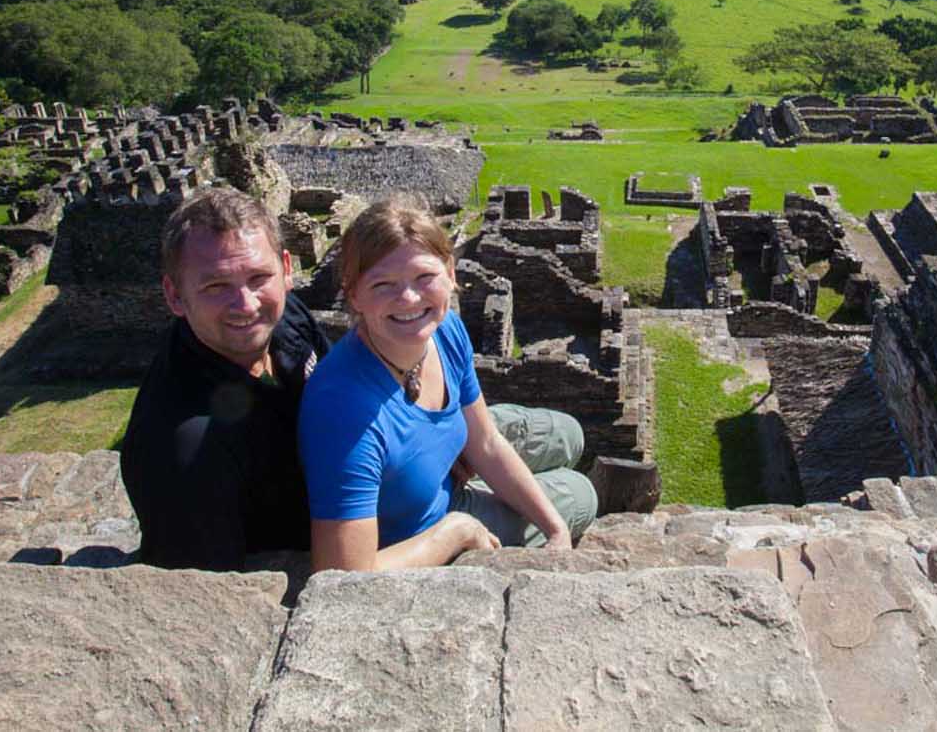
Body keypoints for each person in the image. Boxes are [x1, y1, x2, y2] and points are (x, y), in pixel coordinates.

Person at [299, 199, 597, 571]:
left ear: (450, 273)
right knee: (582, 495)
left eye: (425, 277)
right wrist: (453, 533)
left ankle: (466, 475)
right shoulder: (344, 411)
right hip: (422, 530)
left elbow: (486, 443)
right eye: (382, 284)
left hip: (440, 471)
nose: (408, 298)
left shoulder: (445, 330)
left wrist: (555, 529)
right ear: (354, 294)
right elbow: (341, 576)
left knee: (569, 434)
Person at [120, 187, 332, 570]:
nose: (246, 304)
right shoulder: (182, 448)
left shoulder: (287, 317)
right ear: (175, 296)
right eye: (216, 286)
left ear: (286, 269)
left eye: (258, 277)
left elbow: (344, 393)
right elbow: (205, 592)